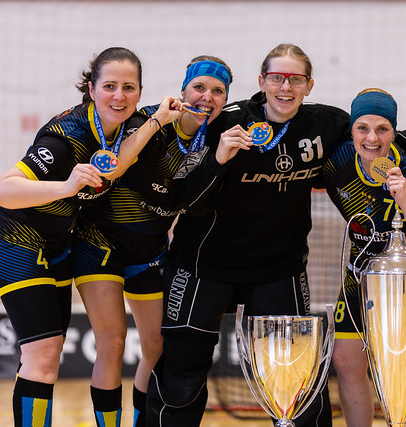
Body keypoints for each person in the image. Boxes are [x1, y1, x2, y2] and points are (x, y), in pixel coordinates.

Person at [145, 43, 352, 427]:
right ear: (261, 81)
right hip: (203, 265)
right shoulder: (225, 122)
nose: (285, 87)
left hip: (278, 269)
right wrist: (218, 159)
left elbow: (374, 134)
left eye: (296, 79)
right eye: (277, 78)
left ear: (309, 85)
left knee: (293, 375)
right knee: (183, 370)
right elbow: (183, 200)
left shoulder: (326, 124)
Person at [0, 47, 184, 427]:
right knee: (43, 353)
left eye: (128, 87)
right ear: (91, 89)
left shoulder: (126, 126)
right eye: (109, 86)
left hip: (60, 243)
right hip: (17, 238)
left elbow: (118, 161)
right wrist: (66, 186)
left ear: (140, 93)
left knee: (47, 352)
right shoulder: (66, 138)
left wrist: (158, 119)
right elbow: (1, 191)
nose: (119, 96)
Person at [72, 56, 247, 427]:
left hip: (150, 247)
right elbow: (119, 169)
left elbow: (193, 200)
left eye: (218, 91)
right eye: (199, 87)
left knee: (156, 346)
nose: (207, 97)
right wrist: (156, 126)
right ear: (183, 90)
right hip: (100, 242)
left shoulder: (216, 139)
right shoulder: (149, 120)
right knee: (112, 343)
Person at [322, 88, 406, 426]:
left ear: (394, 132)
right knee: (346, 359)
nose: (372, 138)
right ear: (351, 131)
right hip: (362, 272)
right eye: (362, 128)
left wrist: (404, 196)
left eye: (382, 129)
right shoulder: (336, 162)